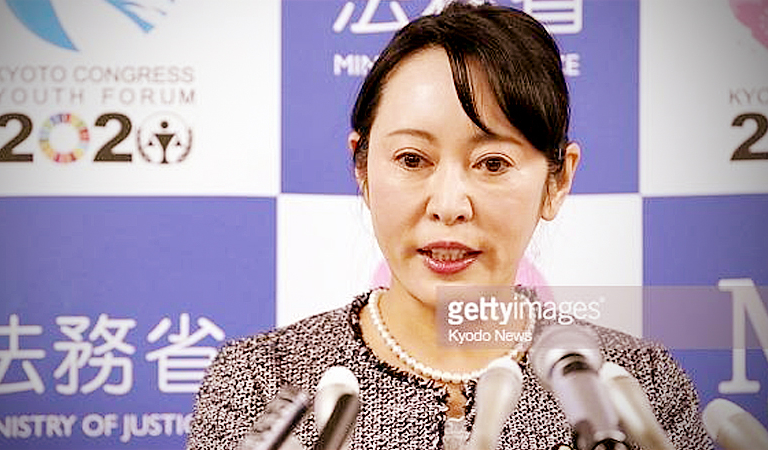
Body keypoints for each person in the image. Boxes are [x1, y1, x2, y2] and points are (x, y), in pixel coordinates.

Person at [187, 2, 713, 449]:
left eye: (492, 164)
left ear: (558, 181)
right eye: (412, 159)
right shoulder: (259, 380)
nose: (449, 205)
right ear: (362, 168)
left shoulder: (634, 385)